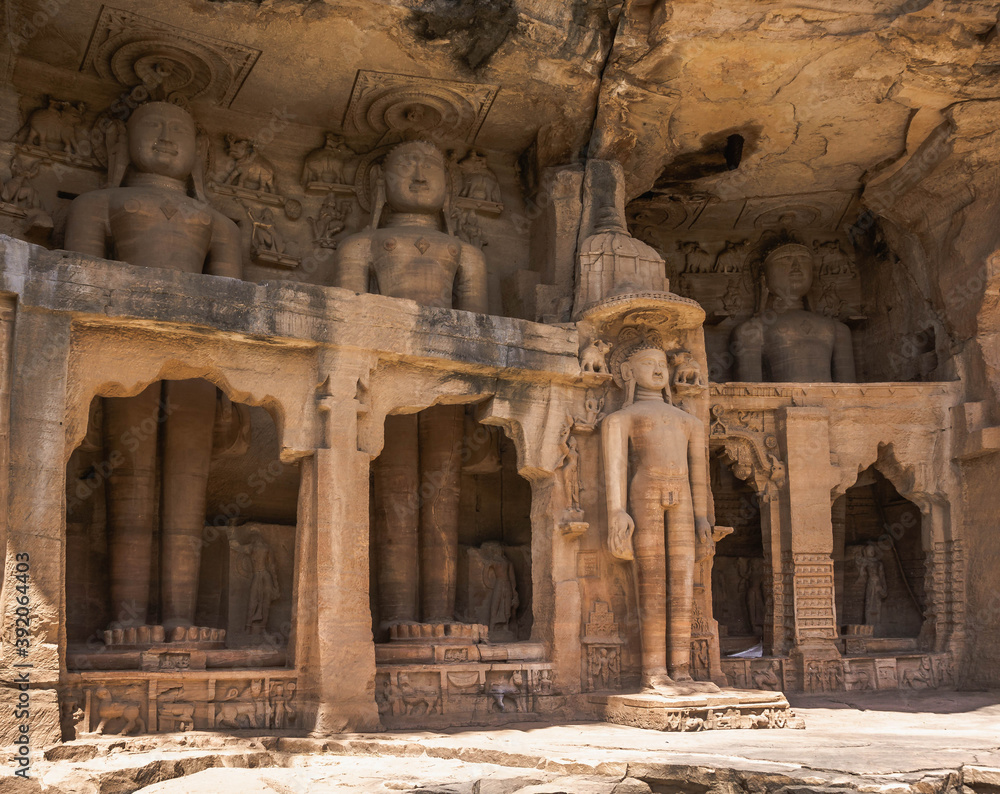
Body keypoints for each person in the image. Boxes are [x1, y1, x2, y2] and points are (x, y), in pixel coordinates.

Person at [64, 101, 242, 640]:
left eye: (179, 131)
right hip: (125, 354)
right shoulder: (99, 203)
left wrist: (231, 393)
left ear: (199, 154)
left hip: (197, 364)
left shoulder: (217, 223)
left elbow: (234, 306)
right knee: (131, 488)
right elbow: (79, 285)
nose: (166, 138)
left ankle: (182, 620)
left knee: (187, 496)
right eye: (152, 126)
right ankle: (125, 621)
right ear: (122, 142)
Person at [336, 140, 487, 627]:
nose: (419, 174)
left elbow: (479, 328)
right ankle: (396, 619)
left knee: (444, 499)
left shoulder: (465, 253)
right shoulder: (363, 245)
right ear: (379, 183)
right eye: (405, 164)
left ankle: (440, 617)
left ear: (451, 189)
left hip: (448, 381)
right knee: (395, 496)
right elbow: (347, 318)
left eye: (431, 166)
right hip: (387, 382)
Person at [602, 333, 712, 687]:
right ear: (627, 371)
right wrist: (617, 512)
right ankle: (654, 672)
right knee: (651, 579)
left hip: (684, 496)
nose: (658, 370)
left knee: (682, 581)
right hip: (645, 492)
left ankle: (681, 669)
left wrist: (702, 518)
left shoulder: (689, 423)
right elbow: (616, 468)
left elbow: (700, 477)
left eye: (662, 364)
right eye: (647, 364)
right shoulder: (620, 419)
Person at [732, 242, 855, 382]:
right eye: (785, 259)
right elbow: (750, 394)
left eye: (804, 259)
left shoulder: (839, 330)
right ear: (764, 277)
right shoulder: (752, 331)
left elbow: (850, 391)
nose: (796, 266)